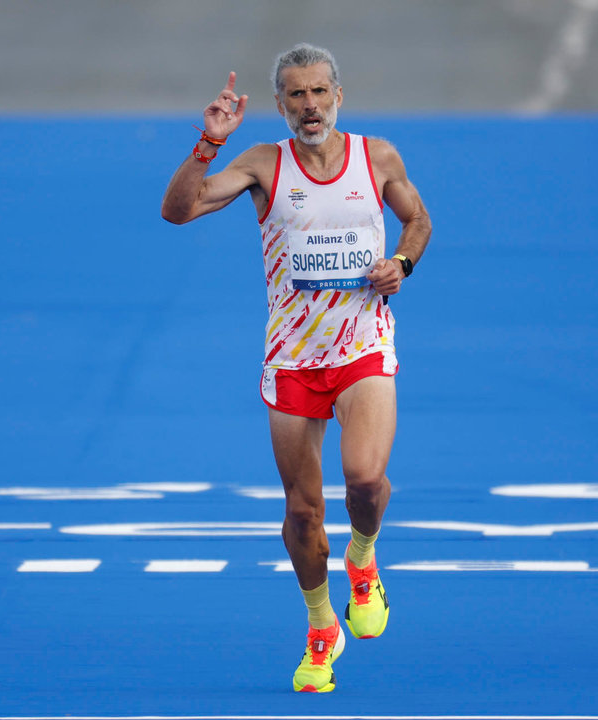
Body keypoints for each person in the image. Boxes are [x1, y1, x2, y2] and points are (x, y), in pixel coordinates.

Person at [161, 43, 431, 693]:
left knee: (364, 481)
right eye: (295, 95)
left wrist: (402, 264)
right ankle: (319, 627)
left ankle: (362, 563)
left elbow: (416, 219)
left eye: (318, 92)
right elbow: (179, 209)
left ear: (338, 94)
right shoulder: (261, 165)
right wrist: (207, 142)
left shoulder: (377, 157)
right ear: (279, 104)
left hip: (362, 344)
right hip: (292, 357)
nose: (308, 106)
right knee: (303, 511)